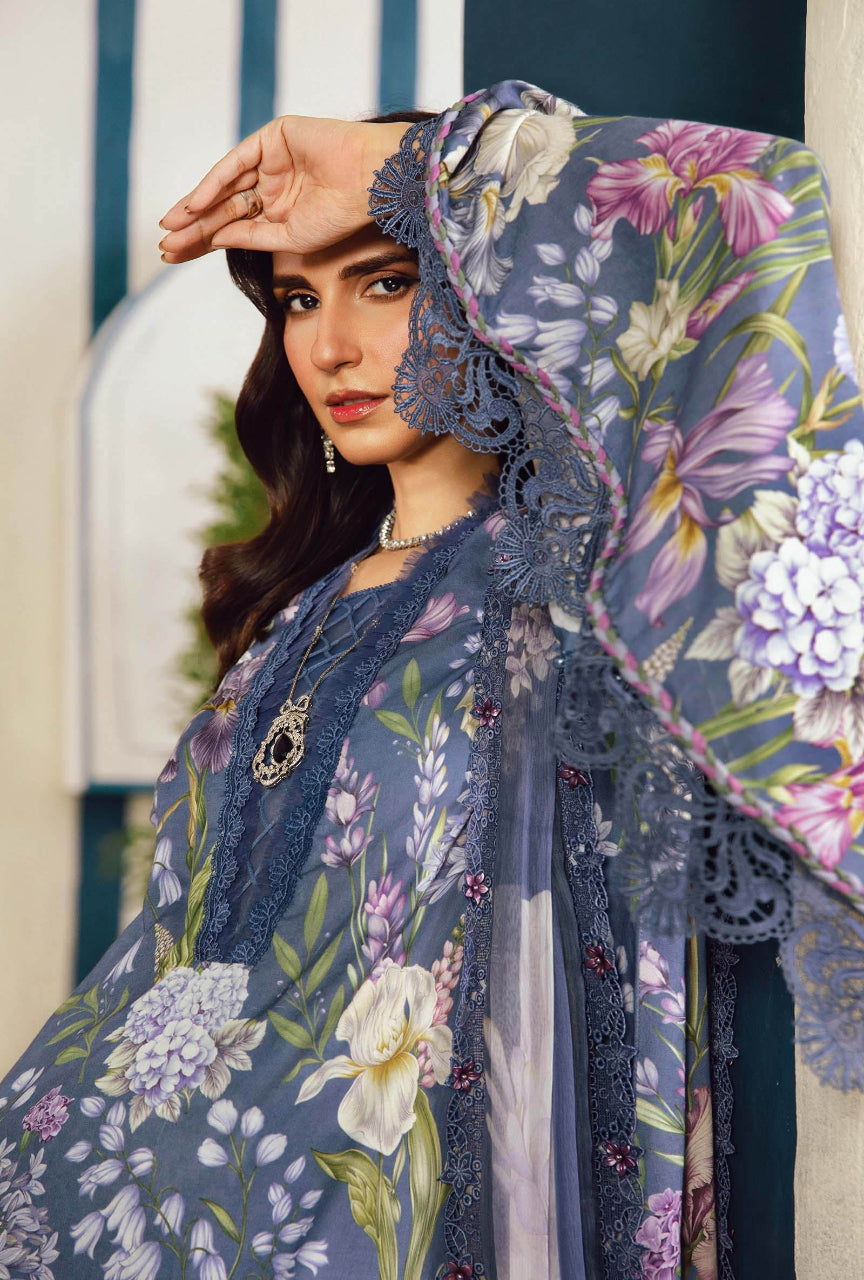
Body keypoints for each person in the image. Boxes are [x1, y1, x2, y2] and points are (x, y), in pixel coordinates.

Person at [2, 79, 863, 1280]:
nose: (329, 346)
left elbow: (750, 198)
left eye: (386, 280)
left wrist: (422, 170)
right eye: (299, 298)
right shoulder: (290, 616)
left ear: (484, 281)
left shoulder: (572, 597)